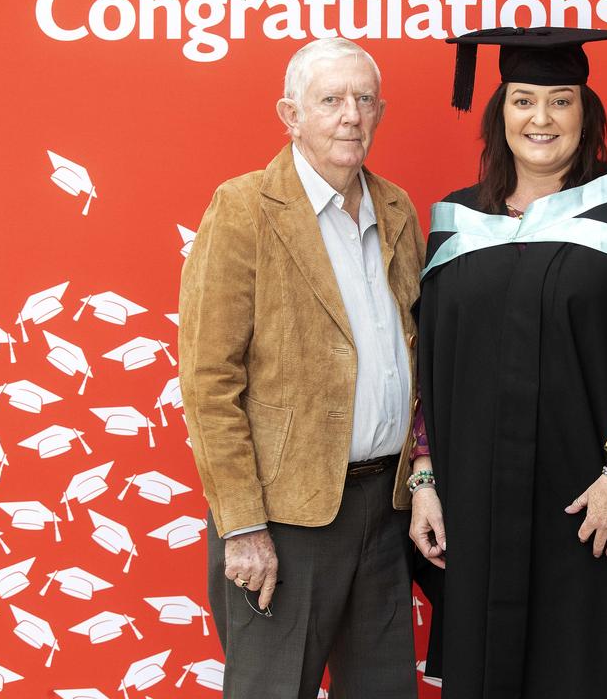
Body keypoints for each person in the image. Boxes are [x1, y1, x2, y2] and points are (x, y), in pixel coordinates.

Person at [407, 27, 607, 699]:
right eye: (523, 100)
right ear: (500, 113)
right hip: (475, 496)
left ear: (587, 114)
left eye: (560, 101)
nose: (540, 119)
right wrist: (425, 479)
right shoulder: (458, 223)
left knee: (581, 668)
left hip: (586, 500)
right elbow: (428, 366)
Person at [178, 37, 424, 699]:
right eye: (331, 100)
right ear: (290, 114)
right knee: (272, 689)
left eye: (364, 100)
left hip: (385, 508)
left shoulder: (396, 208)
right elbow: (208, 386)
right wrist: (244, 526)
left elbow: (418, 354)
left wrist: (423, 479)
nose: (351, 115)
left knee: (383, 690)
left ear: (380, 111)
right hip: (284, 517)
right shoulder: (243, 208)